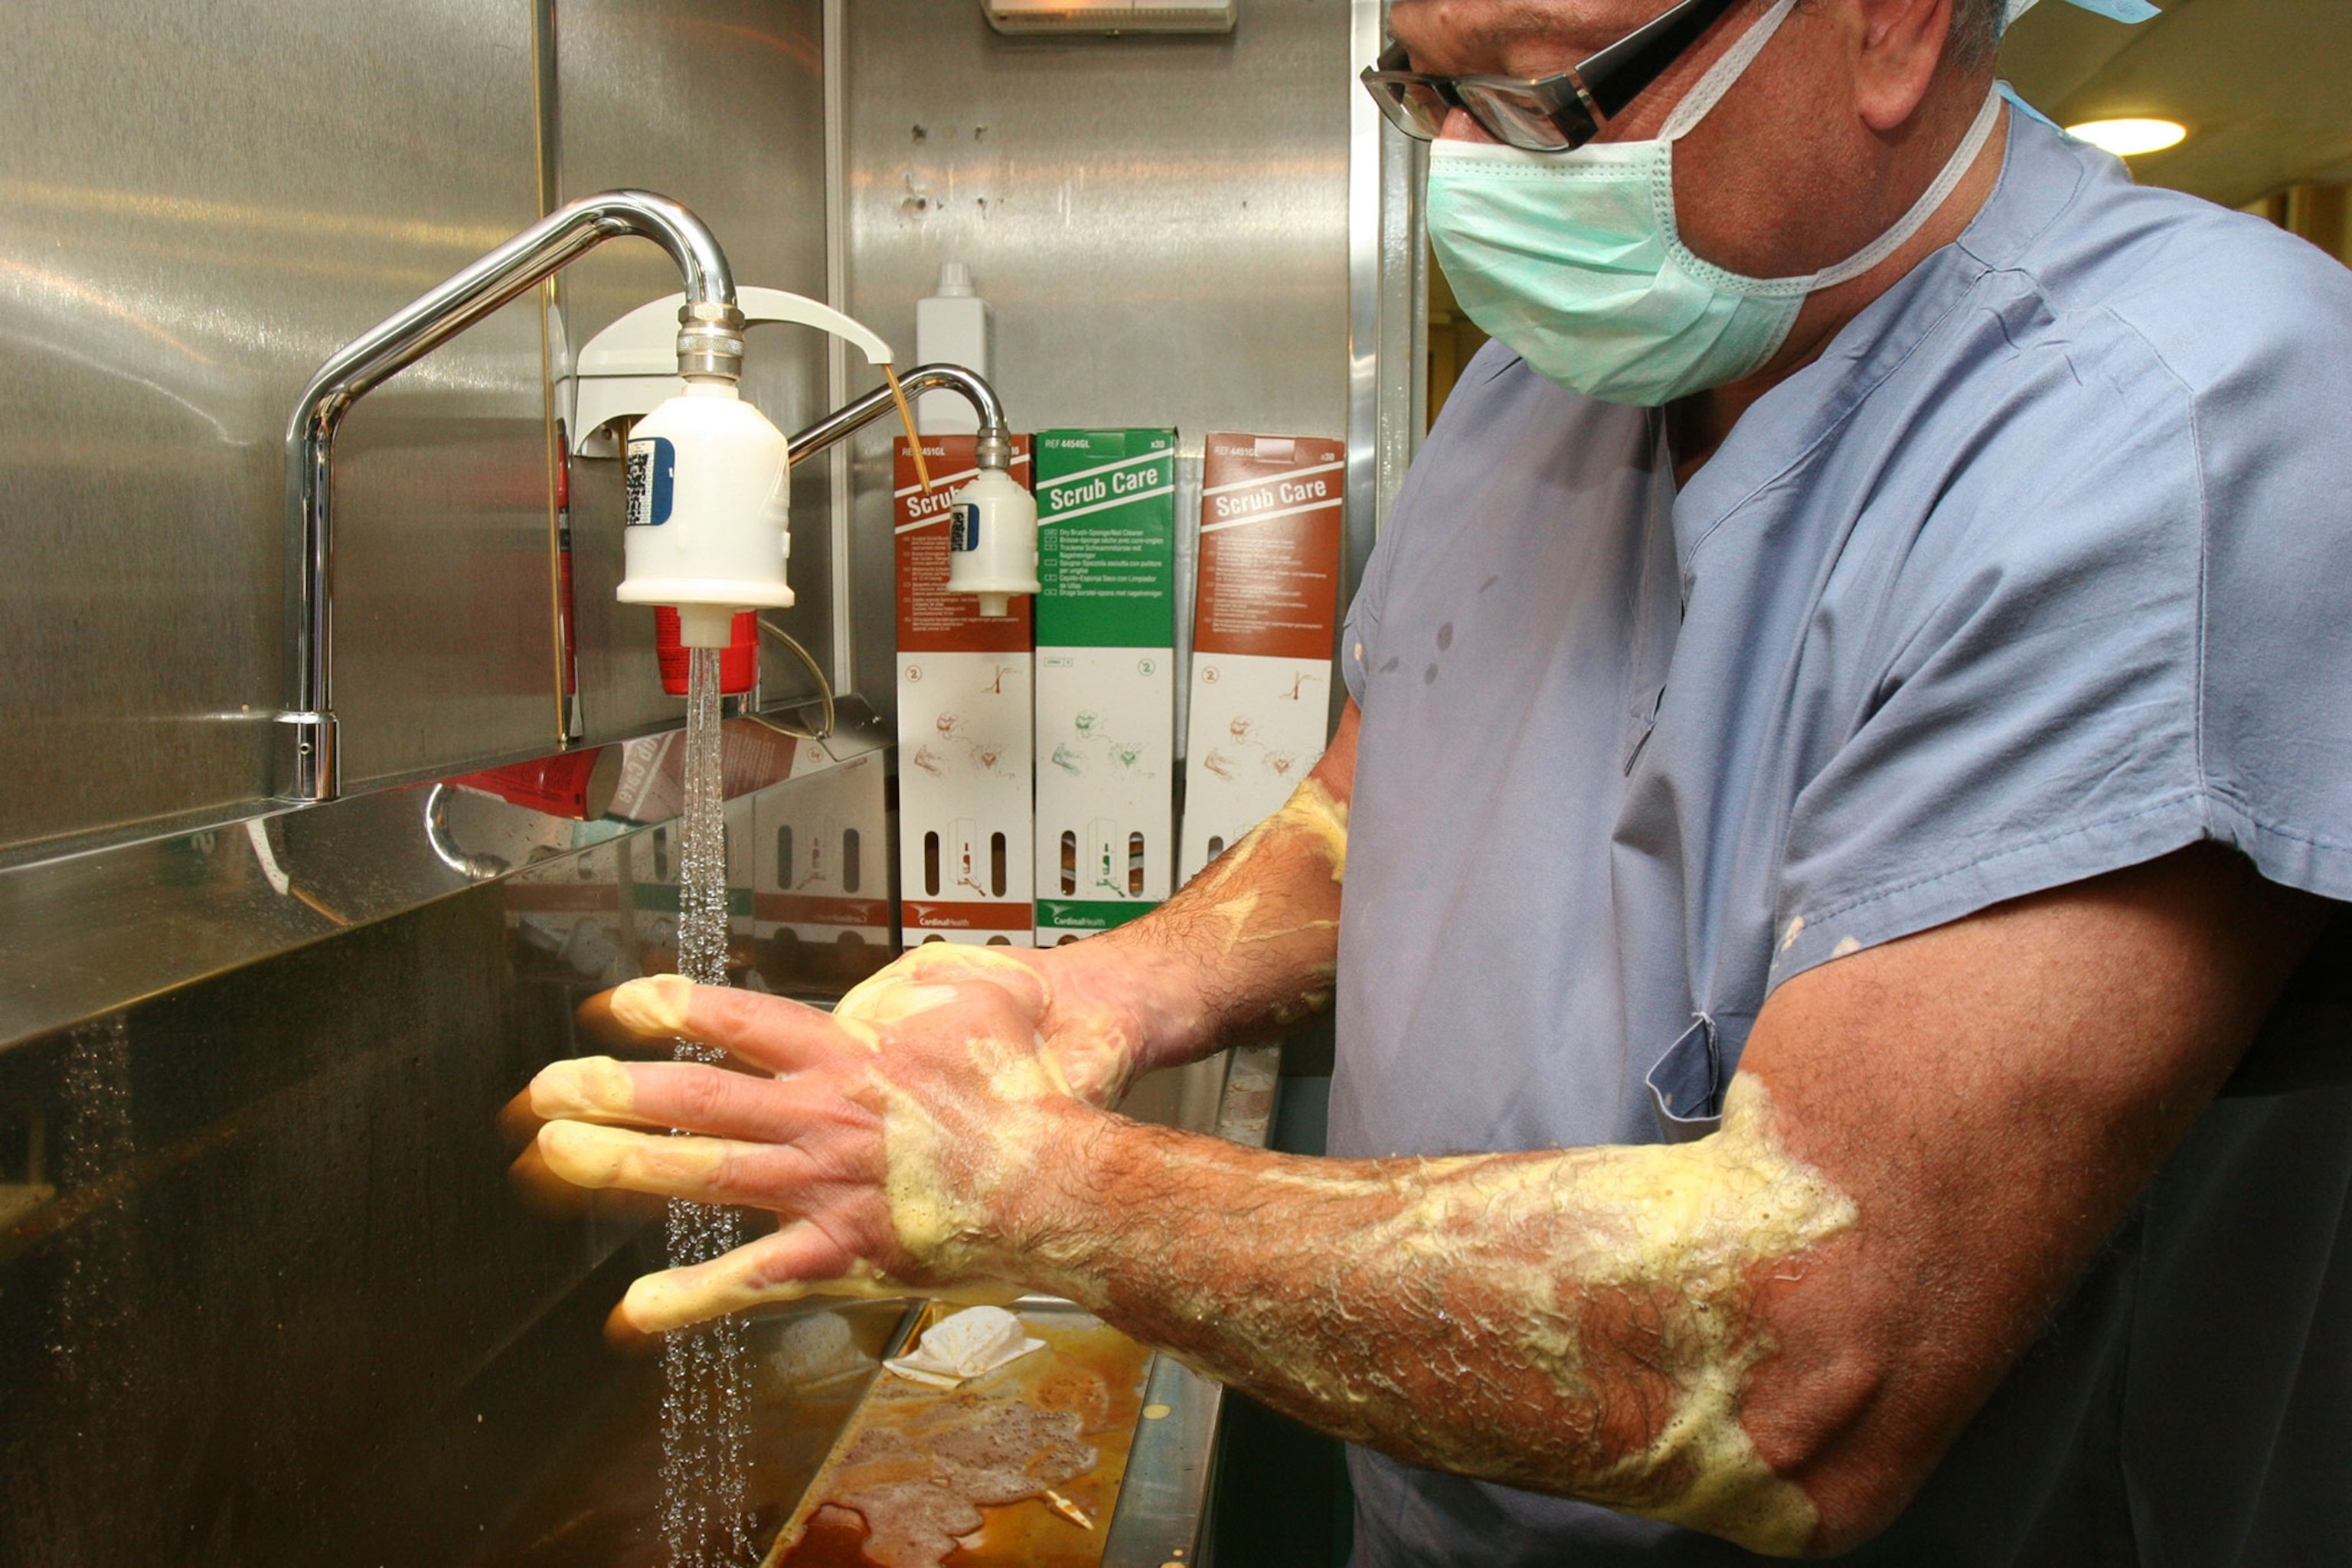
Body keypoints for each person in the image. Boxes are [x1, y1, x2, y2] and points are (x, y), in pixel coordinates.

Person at [523, 0, 2352, 1557]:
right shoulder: (1560, 379)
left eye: (1548, 98)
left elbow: (1805, 1353)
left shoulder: (2180, 427)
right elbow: (1386, 784)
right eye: (1423, 91)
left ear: (1886, 25)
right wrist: (1099, 989)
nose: (1475, 176)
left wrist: (1036, 1187)